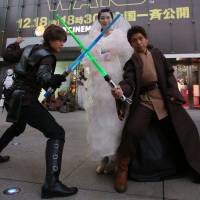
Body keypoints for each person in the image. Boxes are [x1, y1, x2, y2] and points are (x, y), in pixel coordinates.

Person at [112, 26, 200, 193]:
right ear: (131, 44)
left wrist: (174, 94)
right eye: (134, 40)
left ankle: (194, 164)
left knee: (187, 128)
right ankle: (122, 168)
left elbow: (168, 75)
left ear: (146, 39)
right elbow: (129, 81)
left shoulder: (158, 55)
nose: (138, 42)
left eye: (140, 38)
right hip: (145, 100)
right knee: (132, 131)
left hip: (164, 99)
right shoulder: (132, 62)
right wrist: (121, 90)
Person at [0, 25, 78, 198]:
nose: (62, 44)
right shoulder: (48, 56)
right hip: (25, 100)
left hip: (13, 97)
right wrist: (55, 79)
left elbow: (7, 55)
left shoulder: (29, 48)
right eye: (60, 41)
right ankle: (51, 184)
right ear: (50, 40)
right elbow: (44, 79)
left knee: (18, 128)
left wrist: (15, 44)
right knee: (57, 133)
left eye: (64, 41)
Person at [82, 8, 133, 173]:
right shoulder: (93, 37)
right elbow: (86, 59)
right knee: (99, 121)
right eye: (102, 18)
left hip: (115, 80)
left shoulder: (119, 35)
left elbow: (128, 53)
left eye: (107, 17)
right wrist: (98, 55)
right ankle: (104, 159)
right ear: (98, 20)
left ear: (112, 19)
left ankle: (116, 159)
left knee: (115, 120)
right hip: (98, 82)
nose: (105, 20)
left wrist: (114, 52)